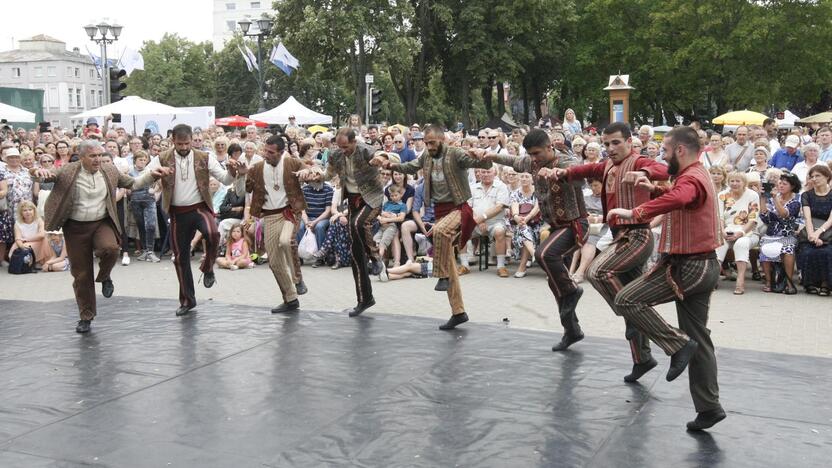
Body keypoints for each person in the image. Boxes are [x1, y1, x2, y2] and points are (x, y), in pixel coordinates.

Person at [608, 126, 725, 432]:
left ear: (681, 151)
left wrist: (635, 211)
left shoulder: (692, 178)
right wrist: (655, 187)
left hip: (689, 268)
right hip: (702, 266)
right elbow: (682, 197)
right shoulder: (696, 174)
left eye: (665, 151)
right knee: (699, 339)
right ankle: (709, 407)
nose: (663, 157)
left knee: (626, 299)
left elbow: (683, 195)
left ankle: (675, 345)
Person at [552, 121, 670, 380]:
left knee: (597, 272)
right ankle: (642, 358)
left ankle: (653, 329)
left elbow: (661, 168)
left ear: (630, 141)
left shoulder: (638, 162)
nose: (610, 148)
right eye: (606, 144)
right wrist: (560, 173)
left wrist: (647, 175)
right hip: (620, 236)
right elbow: (585, 168)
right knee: (632, 296)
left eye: (616, 142)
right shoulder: (607, 165)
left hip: (637, 235)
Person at [33, 140, 165, 333]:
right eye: (93, 156)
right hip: (75, 227)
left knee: (110, 249)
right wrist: (36, 173)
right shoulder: (69, 170)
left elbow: (133, 183)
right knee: (81, 275)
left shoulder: (109, 171)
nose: (98, 160)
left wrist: (151, 175)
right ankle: (86, 317)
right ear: (82, 156)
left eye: (100, 156)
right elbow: (46, 177)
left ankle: (104, 277)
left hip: (100, 222)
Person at [482, 129, 588, 348]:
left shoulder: (566, 160)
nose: (534, 158)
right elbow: (512, 160)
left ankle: (573, 290)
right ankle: (572, 330)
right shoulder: (531, 163)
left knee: (544, 254)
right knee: (554, 281)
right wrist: (489, 156)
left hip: (575, 225)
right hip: (556, 227)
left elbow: (580, 176)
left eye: (537, 153)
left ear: (550, 147)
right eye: (530, 154)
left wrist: (560, 173)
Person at [384, 125, 493, 330]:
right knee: (451, 264)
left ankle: (440, 275)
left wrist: (482, 155)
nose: (429, 146)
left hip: (460, 208)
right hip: (441, 211)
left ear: (443, 140)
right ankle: (458, 312)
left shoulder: (455, 154)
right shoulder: (426, 156)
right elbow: (411, 166)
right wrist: (391, 165)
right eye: (426, 143)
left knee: (440, 232)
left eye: (432, 142)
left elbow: (482, 163)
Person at [143, 124, 242, 317]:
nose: (183, 147)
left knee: (213, 233)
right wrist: (153, 175)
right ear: (173, 141)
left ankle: (207, 268)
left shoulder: (204, 157)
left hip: (199, 208)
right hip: (177, 213)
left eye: (187, 143)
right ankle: (188, 300)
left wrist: (232, 171)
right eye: (179, 144)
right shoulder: (162, 158)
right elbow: (145, 176)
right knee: (180, 258)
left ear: (192, 140)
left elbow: (225, 179)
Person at [315, 128, 390, 317]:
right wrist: (315, 175)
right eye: (340, 147)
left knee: (358, 224)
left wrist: (380, 159)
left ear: (354, 142)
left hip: (372, 198)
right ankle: (364, 299)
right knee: (356, 252)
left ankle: (376, 257)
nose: (343, 150)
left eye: (346, 147)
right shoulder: (335, 155)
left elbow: (382, 155)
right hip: (353, 199)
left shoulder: (365, 150)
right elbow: (327, 174)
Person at [237, 135, 310, 313]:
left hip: (290, 211)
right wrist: (241, 175)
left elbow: (312, 172)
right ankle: (290, 299)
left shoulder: (292, 163)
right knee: (274, 262)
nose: (266, 154)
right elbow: (241, 191)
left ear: (281, 152)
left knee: (286, 241)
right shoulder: (257, 168)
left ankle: (298, 279)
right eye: (265, 151)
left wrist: (307, 173)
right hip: (269, 215)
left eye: (270, 152)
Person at [715, 172, 760, 295]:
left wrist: (740, 232)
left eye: (738, 181)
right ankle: (713, 278)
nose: (734, 184)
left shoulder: (752, 195)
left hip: (748, 232)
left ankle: (740, 280)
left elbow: (753, 219)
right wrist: (722, 231)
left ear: (744, 183)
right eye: (732, 181)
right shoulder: (722, 195)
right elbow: (719, 217)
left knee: (741, 244)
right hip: (726, 230)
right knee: (719, 243)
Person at [758, 171, 802, 294]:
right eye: (780, 183)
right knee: (764, 247)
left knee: (788, 250)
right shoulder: (773, 199)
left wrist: (774, 198)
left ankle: (789, 283)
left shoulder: (795, 202)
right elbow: (764, 217)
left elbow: (784, 214)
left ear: (792, 186)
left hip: (787, 234)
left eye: (785, 184)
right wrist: (762, 197)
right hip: (771, 233)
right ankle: (768, 281)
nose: (781, 186)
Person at [797, 165, 832, 295]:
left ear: (827, 177)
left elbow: (830, 220)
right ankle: (809, 283)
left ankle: (826, 284)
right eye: (812, 176)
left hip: (828, 231)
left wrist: (818, 233)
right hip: (810, 229)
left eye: (818, 176)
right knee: (808, 251)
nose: (815, 179)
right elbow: (807, 217)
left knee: (827, 252)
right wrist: (811, 235)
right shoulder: (807, 195)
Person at [128, 151, 160, 262]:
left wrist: (154, 191)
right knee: (141, 226)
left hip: (149, 200)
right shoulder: (129, 171)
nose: (142, 161)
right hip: (135, 201)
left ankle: (151, 251)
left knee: (150, 225)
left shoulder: (150, 171)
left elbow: (159, 184)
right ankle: (145, 250)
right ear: (135, 160)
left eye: (144, 159)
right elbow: (127, 186)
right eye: (140, 159)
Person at [509, 172, 540, 278]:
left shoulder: (538, 191)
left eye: (527, 176)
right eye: (522, 176)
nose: (524, 179)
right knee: (523, 229)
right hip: (521, 224)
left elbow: (537, 208)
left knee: (523, 230)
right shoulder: (515, 193)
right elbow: (515, 211)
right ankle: (534, 254)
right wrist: (518, 218)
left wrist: (526, 218)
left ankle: (522, 267)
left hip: (536, 224)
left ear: (532, 179)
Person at [374, 184, 407, 273]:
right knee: (375, 241)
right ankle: (374, 261)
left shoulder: (402, 205)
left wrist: (387, 218)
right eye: (392, 196)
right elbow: (379, 213)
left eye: (396, 195)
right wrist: (382, 217)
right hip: (382, 227)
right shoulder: (387, 204)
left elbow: (401, 218)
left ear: (401, 195)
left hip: (391, 227)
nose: (394, 197)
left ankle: (376, 263)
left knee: (383, 243)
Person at [10, 200, 50, 267]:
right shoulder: (18, 223)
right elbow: (18, 239)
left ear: (34, 211)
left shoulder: (39, 220)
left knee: (46, 239)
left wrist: (26, 239)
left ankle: (40, 261)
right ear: (21, 213)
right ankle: (26, 262)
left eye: (30, 209)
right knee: (18, 247)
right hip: (24, 244)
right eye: (25, 210)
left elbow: (41, 235)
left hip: (37, 242)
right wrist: (23, 248)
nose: (28, 212)